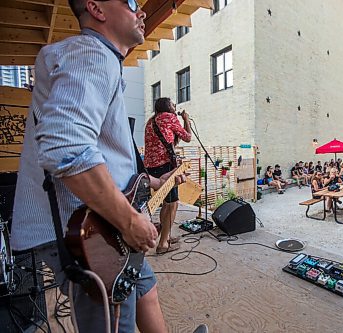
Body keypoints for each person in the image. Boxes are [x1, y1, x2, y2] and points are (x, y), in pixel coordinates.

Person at [10, 0, 206, 332]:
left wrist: (156, 183)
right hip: (92, 231)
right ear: (97, 9)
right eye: (130, 3)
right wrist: (131, 221)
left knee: (146, 293)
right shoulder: (92, 54)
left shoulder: (97, 61)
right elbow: (66, 148)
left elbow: (105, 155)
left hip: (103, 224)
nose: (141, 11)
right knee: (114, 323)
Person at [144, 97, 191, 254]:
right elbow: (187, 137)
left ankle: (166, 235)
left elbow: (167, 142)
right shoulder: (169, 117)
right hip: (164, 166)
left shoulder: (151, 121)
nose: (174, 106)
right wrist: (186, 119)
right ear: (167, 106)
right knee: (172, 204)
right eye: (172, 104)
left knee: (167, 202)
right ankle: (163, 244)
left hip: (150, 167)